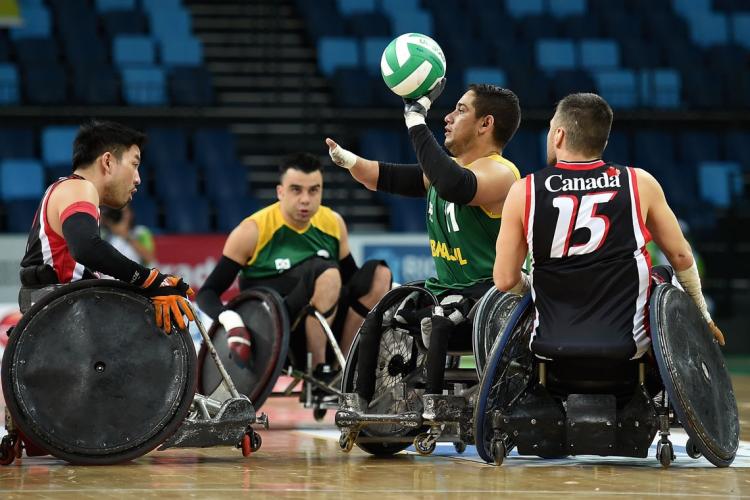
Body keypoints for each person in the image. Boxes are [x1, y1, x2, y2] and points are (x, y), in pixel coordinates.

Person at [493, 92, 724, 364]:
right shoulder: (639, 182)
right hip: (626, 347)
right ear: (602, 139)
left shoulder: (524, 191)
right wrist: (703, 315)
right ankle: (667, 375)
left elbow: (505, 280)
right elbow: (682, 257)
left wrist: (535, 287)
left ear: (558, 135)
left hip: (550, 347)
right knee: (663, 275)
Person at [326, 81, 522, 397]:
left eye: (460, 110)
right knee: (383, 312)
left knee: (440, 319)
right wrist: (349, 161)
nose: (448, 117)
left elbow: (455, 186)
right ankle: (362, 403)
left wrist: (417, 122)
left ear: (486, 124)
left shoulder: (502, 174)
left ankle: (434, 403)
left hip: (490, 297)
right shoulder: (448, 172)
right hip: (449, 291)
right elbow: (382, 177)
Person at [195, 152, 392, 376]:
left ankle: (343, 368)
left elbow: (354, 284)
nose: (306, 199)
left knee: (379, 274)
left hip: (329, 325)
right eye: (296, 190)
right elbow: (207, 292)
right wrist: (231, 320)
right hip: (275, 329)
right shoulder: (252, 230)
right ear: (281, 192)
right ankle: (320, 369)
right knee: (327, 272)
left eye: (314, 190)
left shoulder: (333, 222)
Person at [19, 120, 194, 333]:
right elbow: (87, 248)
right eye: (135, 164)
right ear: (108, 162)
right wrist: (151, 280)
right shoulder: (79, 187)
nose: (138, 179)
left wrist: (152, 287)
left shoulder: (69, 192)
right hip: (64, 329)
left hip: (61, 321)